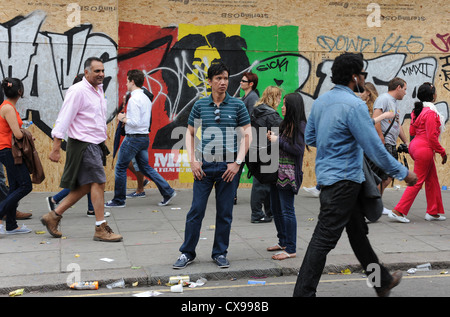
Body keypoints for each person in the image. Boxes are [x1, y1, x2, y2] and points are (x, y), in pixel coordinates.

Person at [293, 52, 417, 297]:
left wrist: (335, 139)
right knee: (323, 239)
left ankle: (381, 281)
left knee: (358, 235)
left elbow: (311, 138)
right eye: (363, 74)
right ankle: (303, 293)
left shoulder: (320, 103)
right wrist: (403, 172)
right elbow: (374, 147)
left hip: (330, 179)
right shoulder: (355, 106)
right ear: (354, 77)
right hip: (346, 181)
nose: (363, 77)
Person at [173, 61, 251, 269]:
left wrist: (237, 164)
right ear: (210, 82)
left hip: (228, 167)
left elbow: (248, 135)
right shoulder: (200, 105)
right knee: (196, 211)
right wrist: (193, 161)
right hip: (204, 166)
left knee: (225, 213)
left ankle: (220, 253)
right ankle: (187, 253)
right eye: (218, 79)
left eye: (225, 78)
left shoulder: (238, 105)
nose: (223, 82)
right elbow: (189, 134)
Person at [40, 57, 122, 242]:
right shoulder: (78, 91)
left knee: (86, 185)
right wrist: (55, 147)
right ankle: (100, 228)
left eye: (102, 70)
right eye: (97, 71)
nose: (101, 74)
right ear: (86, 72)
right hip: (84, 145)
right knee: (99, 183)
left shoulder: (98, 89)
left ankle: (53, 216)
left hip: (95, 144)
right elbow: (64, 117)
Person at [105, 69, 176, 208]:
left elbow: (135, 122)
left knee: (120, 167)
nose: (125, 84)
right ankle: (168, 191)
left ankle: (118, 200)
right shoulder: (145, 97)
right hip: (143, 137)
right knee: (145, 167)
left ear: (132, 81)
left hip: (134, 138)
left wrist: (122, 117)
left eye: (127, 81)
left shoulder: (135, 99)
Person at [390, 83, 447, 223]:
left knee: (432, 179)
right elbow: (432, 138)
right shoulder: (431, 113)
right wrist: (442, 152)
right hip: (424, 149)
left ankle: (433, 212)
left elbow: (412, 132)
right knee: (417, 181)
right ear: (433, 96)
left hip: (416, 147)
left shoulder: (417, 111)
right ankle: (398, 211)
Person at [266, 93, 307, 260]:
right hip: (278, 173)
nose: (282, 107)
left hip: (289, 175)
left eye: (285, 104)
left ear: (292, 107)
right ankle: (282, 241)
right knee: (276, 208)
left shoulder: (300, 125)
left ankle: (290, 248)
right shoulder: (286, 124)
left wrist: (277, 141)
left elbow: (298, 149)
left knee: (287, 211)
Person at [0, 78, 33, 234]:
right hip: (8, 150)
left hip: (7, 150)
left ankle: (11, 225)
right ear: (20, 91)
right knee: (25, 185)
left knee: (14, 187)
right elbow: (18, 135)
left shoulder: (7, 106)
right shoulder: (8, 108)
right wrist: (27, 135)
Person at [372, 77, 409, 214]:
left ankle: (375, 204)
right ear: (398, 87)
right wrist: (381, 138)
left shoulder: (393, 103)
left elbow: (397, 125)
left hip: (390, 144)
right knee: (386, 177)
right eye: (404, 89)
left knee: (386, 177)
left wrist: (406, 142)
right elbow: (376, 118)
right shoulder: (384, 99)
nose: (405, 93)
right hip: (385, 143)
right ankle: (373, 205)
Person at [249, 86, 282, 223]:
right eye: (279, 97)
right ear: (274, 98)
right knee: (262, 186)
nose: (280, 100)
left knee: (263, 183)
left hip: (255, 150)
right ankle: (257, 214)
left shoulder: (257, 111)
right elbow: (282, 132)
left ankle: (269, 212)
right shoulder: (272, 116)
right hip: (267, 152)